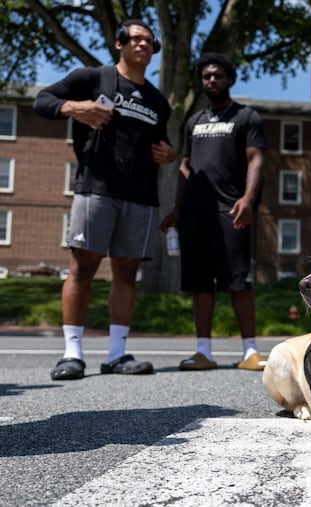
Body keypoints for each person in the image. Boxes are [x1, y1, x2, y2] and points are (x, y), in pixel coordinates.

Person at [33, 19, 176, 381]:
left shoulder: (158, 101)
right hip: (96, 188)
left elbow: (160, 145)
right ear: (120, 43)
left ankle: (116, 354)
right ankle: (72, 354)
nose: (143, 44)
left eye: (149, 41)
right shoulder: (93, 78)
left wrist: (168, 155)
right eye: (136, 38)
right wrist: (73, 108)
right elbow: (42, 100)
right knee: (83, 265)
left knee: (127, 270)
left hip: (141, 195)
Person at [160, 53, 267, 371]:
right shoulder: (194, 122)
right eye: (206, 76)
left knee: (238, 281)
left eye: (217, 75)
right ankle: (203, 352)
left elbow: (256, 159)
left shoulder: (247, 117)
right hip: (195, 213)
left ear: (229, 79)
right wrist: (178, 208)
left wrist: (248, 198)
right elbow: (186, 165)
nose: (211, 81)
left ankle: (250, 351)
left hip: (232, 210)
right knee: (200, 284)